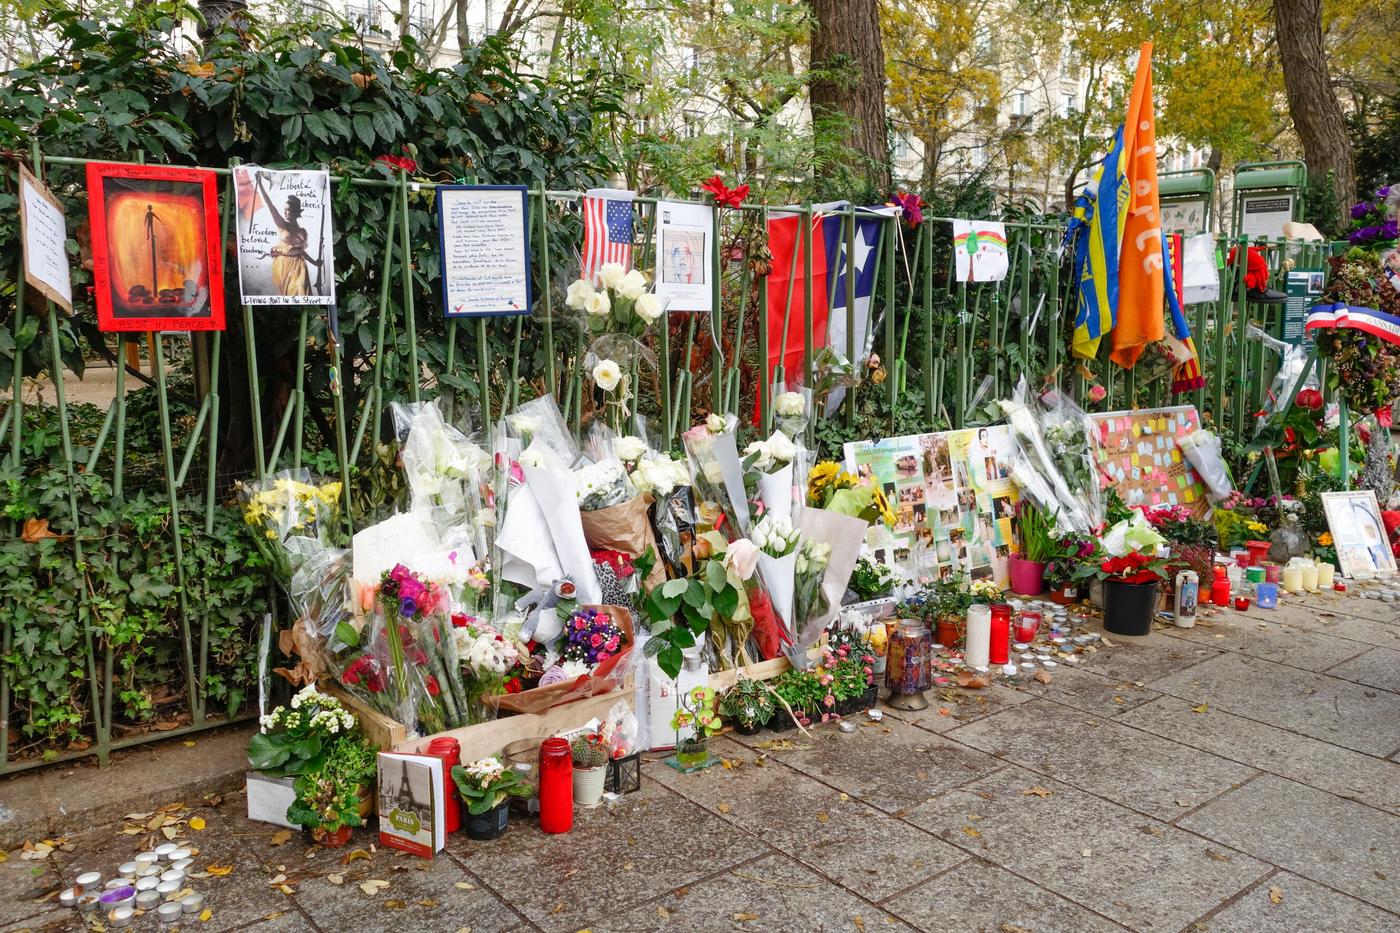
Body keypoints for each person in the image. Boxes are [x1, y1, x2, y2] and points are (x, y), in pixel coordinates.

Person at [255, 173, 321, 297]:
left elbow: (301, 251)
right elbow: (271, 206)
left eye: (288, 210)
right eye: (284, 210)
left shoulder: (303, 231)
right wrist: (260, 184)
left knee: (300, 292)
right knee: (285, 296)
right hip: (282, 265)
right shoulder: (282, 225)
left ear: (296, 211)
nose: (285, 213)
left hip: (299, 267)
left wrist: (315, 263)